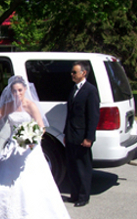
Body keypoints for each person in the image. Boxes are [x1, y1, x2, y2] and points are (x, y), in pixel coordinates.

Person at [0, 76, 70, 219]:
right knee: (1, 181)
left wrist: (31, 139)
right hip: (12, 147)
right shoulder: (8, 105)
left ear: (25, 90)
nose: (17, 93)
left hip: (28, 148)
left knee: (31, 182)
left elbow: (41, 127)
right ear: (10, 91)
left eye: (20, 90)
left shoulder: (31, 105)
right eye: (14, 91)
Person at [64, 61, 100, 207]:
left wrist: (89, 137)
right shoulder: (74, 89)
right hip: (71, 135)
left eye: (74, 72)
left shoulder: (90, 90)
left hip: (82, 136)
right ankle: (74, 194)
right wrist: (66, 133)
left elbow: (93, 116)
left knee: (82, 168)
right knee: (72, 167)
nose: (72, 74)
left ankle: (83, 197)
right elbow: (70, 114)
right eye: (72, 72)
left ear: (83, 73)